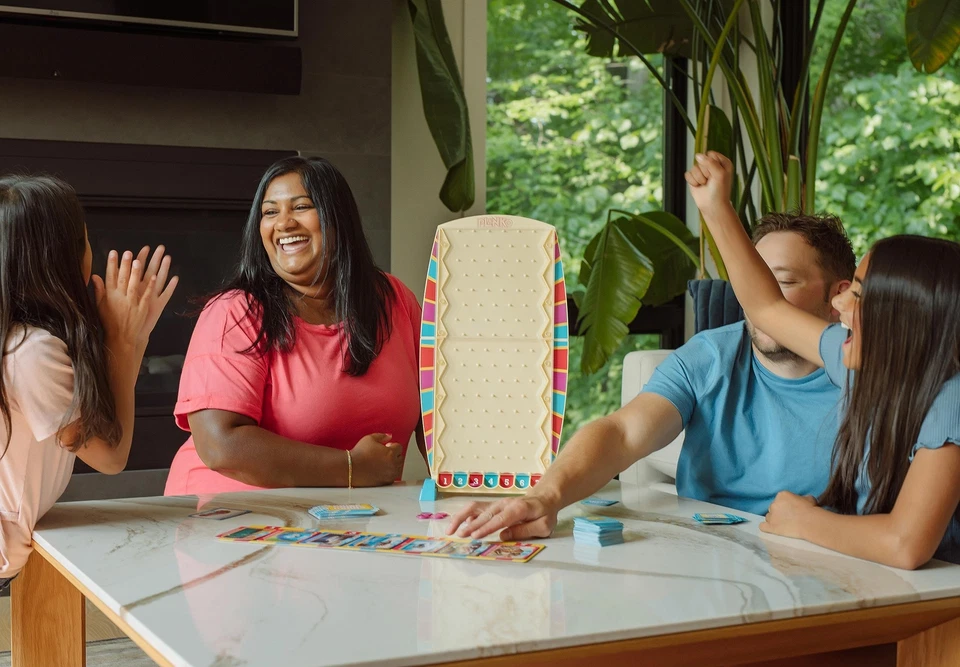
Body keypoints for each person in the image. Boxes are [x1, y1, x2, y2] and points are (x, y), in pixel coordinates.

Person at [447, 211, 855, 541]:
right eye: (751, 283)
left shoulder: (871, 379)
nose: (758, 300)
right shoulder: (711, 355)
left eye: (779, 283)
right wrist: (543, 498)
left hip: (823, 556)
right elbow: (622, 433)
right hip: (707, 556)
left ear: (839, 296)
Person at [683, 152, 960, 569]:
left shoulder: (951, 401)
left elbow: (905, 544)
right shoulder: (865, 360)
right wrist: (715, 207)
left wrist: (803, 521)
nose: (839, 303)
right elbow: (766, 308)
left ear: (905, 317)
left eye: (860, 295)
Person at [164, 157, 425, 496]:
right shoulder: (235, 312)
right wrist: (352, 468)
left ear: (338, 220)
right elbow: (220, 445)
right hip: (233, 518)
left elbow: (439, 417)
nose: (284, 224)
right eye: (270, 212)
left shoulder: (394, 300)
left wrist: (470, 494)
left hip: (354, 517)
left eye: (301, 207)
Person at [0, 174, 178, 586]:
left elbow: (105, 419)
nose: (91, 253)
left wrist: (129, 340)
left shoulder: (19, 339)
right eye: (84, 241)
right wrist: (122, 339)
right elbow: (110, 456)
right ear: (57, 257)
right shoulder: (31, 352)